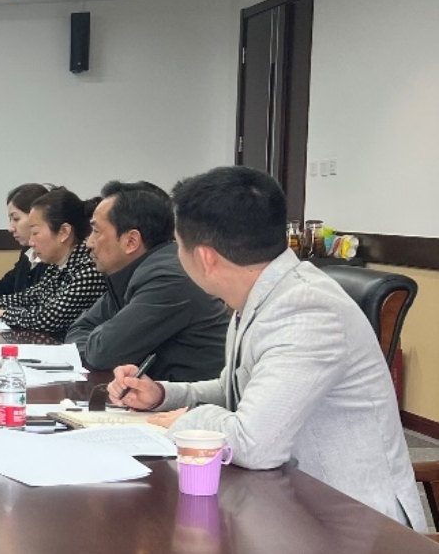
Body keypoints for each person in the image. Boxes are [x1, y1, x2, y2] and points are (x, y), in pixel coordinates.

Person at [110, 167, 428, 530]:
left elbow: (253, 444)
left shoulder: (306, 309)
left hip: (353, 524)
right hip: (288, 501)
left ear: (205, 258)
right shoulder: (263, 292)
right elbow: (236, 388)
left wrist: (189, 420)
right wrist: (162, 395)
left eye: (178, 245)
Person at [66, 181, 228, 380]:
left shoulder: (168, 280)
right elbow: (78, 330)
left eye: (96, 232)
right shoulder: (132, 273)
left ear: (131, 241)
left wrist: (101, 344)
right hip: (156, 393)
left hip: (191, 397)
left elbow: (102, 353)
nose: (88, 243)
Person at [0, 187, 106, 337]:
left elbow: (49, 318)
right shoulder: (58, 264)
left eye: (35, 233)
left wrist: (1, 314)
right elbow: (29, 297)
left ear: (64, 232)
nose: (31, 242)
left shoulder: (88, 268)